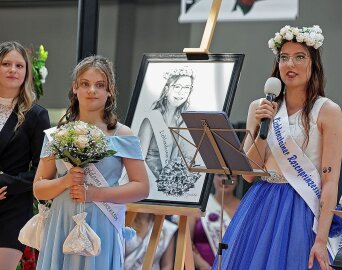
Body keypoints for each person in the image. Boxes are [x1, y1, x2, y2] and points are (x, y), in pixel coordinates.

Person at [213, 25, 342, 270]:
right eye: (284, 58)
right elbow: (248, 172)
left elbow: (330, 181)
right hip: (262, 202)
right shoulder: (260, 106)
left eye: (299, 57)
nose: (290, 64)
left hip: (302, 207)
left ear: (313, 63)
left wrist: (321, 239)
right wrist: (263, 130)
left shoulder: (328, 111)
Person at [33, 55, 149, 270]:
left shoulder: (123, 134)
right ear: (75, 88)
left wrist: (95, 194)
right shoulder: (57, 134)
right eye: (85, 84)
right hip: (61, 223)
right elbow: (39, 189)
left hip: (103, 223)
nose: (92, 90)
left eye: (100, 85)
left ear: (110, 90)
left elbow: (141, 187)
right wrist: (65, 182)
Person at [0, 41, 50, 270]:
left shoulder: (36, 115)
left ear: (27, 72)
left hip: (12, 207)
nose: (13, 70)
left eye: (19, 65)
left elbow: (42, 171)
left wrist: (6, 184)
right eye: (6, 64)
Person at [138, 66, 197, 195]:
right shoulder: (151, 119)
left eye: (186, 88)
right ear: (167, 88)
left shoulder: (180, 122)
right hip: (147, 187)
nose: (181, 92)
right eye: (177, 86)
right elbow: (138, 162)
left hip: (165, 191)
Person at [190, 174, 240, 270]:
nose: (225, 179)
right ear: (212, 177)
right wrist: (203, 266)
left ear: (237, 180)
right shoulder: (200, 204)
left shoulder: (245, 209)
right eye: (220, 175)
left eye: (231, 176)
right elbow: (186, 241)